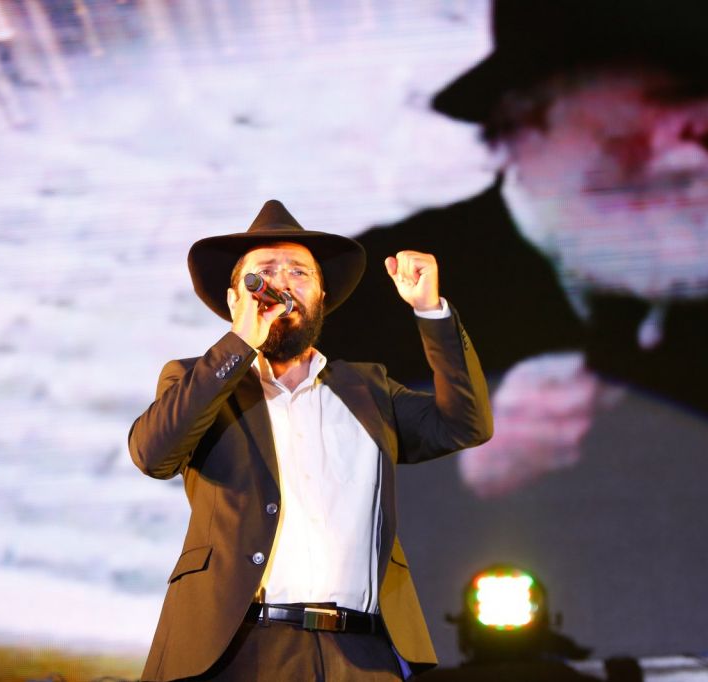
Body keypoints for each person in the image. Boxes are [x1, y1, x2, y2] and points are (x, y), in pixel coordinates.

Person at [320, 0, 708, 649]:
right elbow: (310, 519)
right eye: (676, 95)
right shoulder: (372, 290)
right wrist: (463, 461)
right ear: (536, 115)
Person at [128, 199, 492, 681]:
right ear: (235, 299)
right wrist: (240, 343)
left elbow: (467, 423)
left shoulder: (368, 390)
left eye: (299, 273)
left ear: (322, 296)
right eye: (264, 273)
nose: (281, 284)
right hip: (242, 650)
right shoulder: (200, 382)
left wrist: (431, 312)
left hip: (362, 654)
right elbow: (153, 454)